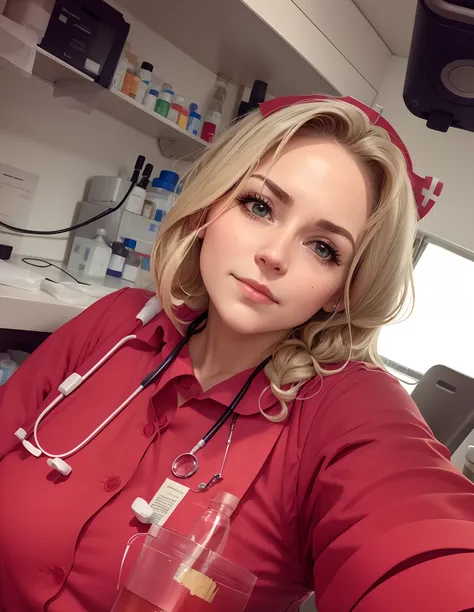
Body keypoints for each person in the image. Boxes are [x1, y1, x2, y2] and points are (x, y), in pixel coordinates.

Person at [0, 95, 473, 612]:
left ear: (342, 290)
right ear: (211, 205)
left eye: (324, 248)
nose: (274, 254)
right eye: (259, 206)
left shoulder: (343, 410)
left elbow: (422, 541)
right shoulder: (117, 324)